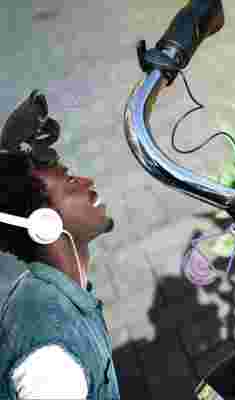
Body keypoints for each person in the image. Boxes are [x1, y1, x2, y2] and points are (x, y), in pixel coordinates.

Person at [0, 90, 119, 399]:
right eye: (69, 183)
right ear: (44, 224)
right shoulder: (53, 365)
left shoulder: (54, 290)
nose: (87, 181)